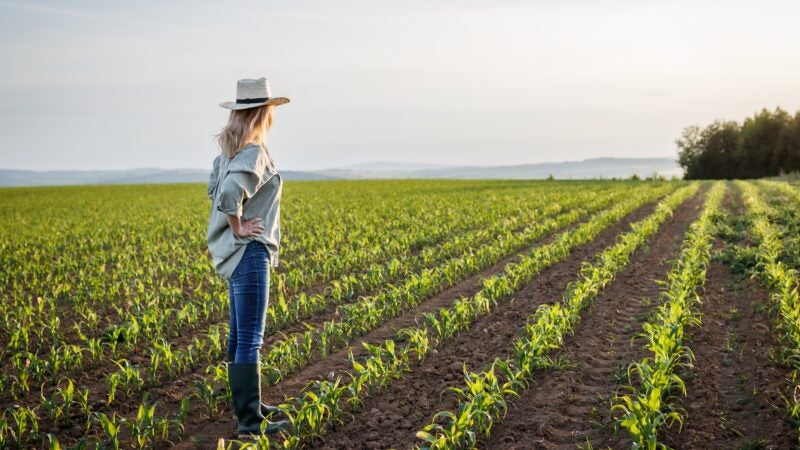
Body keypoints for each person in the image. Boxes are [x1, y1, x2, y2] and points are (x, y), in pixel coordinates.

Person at [206, 77, 291, 438]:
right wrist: (239, 226)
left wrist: (232, 224)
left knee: (240, 334)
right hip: (250, 252)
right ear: (263, 114)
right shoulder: (254, 151)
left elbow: (214, 189)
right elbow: (227, 194)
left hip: (232, 254)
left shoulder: (228, 153)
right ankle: (250, 424)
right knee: (250, 337)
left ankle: (250, 408)